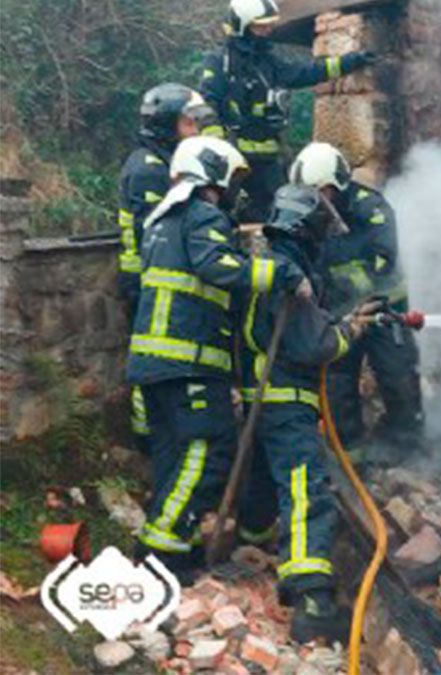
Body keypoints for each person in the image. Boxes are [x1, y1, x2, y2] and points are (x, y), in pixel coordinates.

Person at [128, 136, 309, 579]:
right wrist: (281, 272)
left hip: (155, 365)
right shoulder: (202, 214)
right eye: (233, 177)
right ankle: (161, 555)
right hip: (188, 362)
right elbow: (218, 267)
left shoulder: (160, 220)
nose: (234, 188)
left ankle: (178, 543)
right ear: (214, 171)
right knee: (205, 450)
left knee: (174, 458)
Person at [234, 183, 380, 642]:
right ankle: (312, 600)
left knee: (263, 477)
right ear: (305, 228)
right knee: (304, 489)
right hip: (286, 399)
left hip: (261, 398)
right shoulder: (290, 274)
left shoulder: (268, 267)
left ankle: (251, 543)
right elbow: (312, 344)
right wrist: (350, 332)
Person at [289, 142, 423, 461]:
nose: (311, 202)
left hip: (384, 310)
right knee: (337, 384)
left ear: (331, 186)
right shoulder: (309, 213)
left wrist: (341, 288)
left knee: (399, 377)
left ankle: (405, 449)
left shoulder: (371, 208)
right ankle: (351, 456)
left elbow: (382, 263)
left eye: (317, 192)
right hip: (338, 315)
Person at [199, 0, 376, 222]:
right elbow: (207, 104)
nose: (267, 31)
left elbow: (305, 72)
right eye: (260, 26)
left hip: (270, 161)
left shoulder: (268, 62)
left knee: (279, 216)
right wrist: (221, 150)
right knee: (230, 217)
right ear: (241, 26)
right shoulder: (220, 61)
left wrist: (351, 61)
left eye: (269, 25)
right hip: (236, 162)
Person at [118, 84, 222, 445]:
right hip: (144, 280)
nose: (194, 129)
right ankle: (146, 439)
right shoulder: (148, 167)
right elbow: (156, 229)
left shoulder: (163, 159)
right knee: (150, 359)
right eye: (188, 123)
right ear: (165, 124)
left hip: (151, 278)